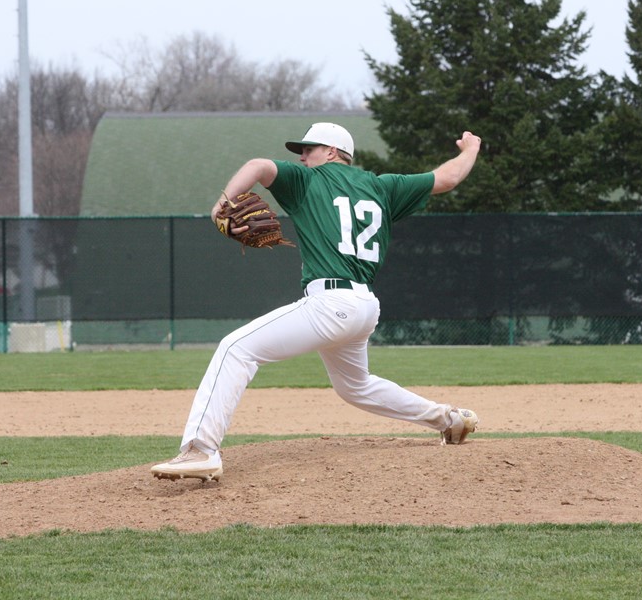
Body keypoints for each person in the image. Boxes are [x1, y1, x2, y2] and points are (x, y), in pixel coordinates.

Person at [151, 122, 482, 481]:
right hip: (365, 305)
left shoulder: (308, 180)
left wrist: (221, 206)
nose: (302, 157)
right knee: (356, 386)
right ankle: (449, 420)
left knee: (235, 348)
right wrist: (471, 150)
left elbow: (258, 166)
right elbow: (446, 178)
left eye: (309, 150)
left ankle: (201, 450)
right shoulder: (383, 186)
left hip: (331, 303)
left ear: (333, 152)